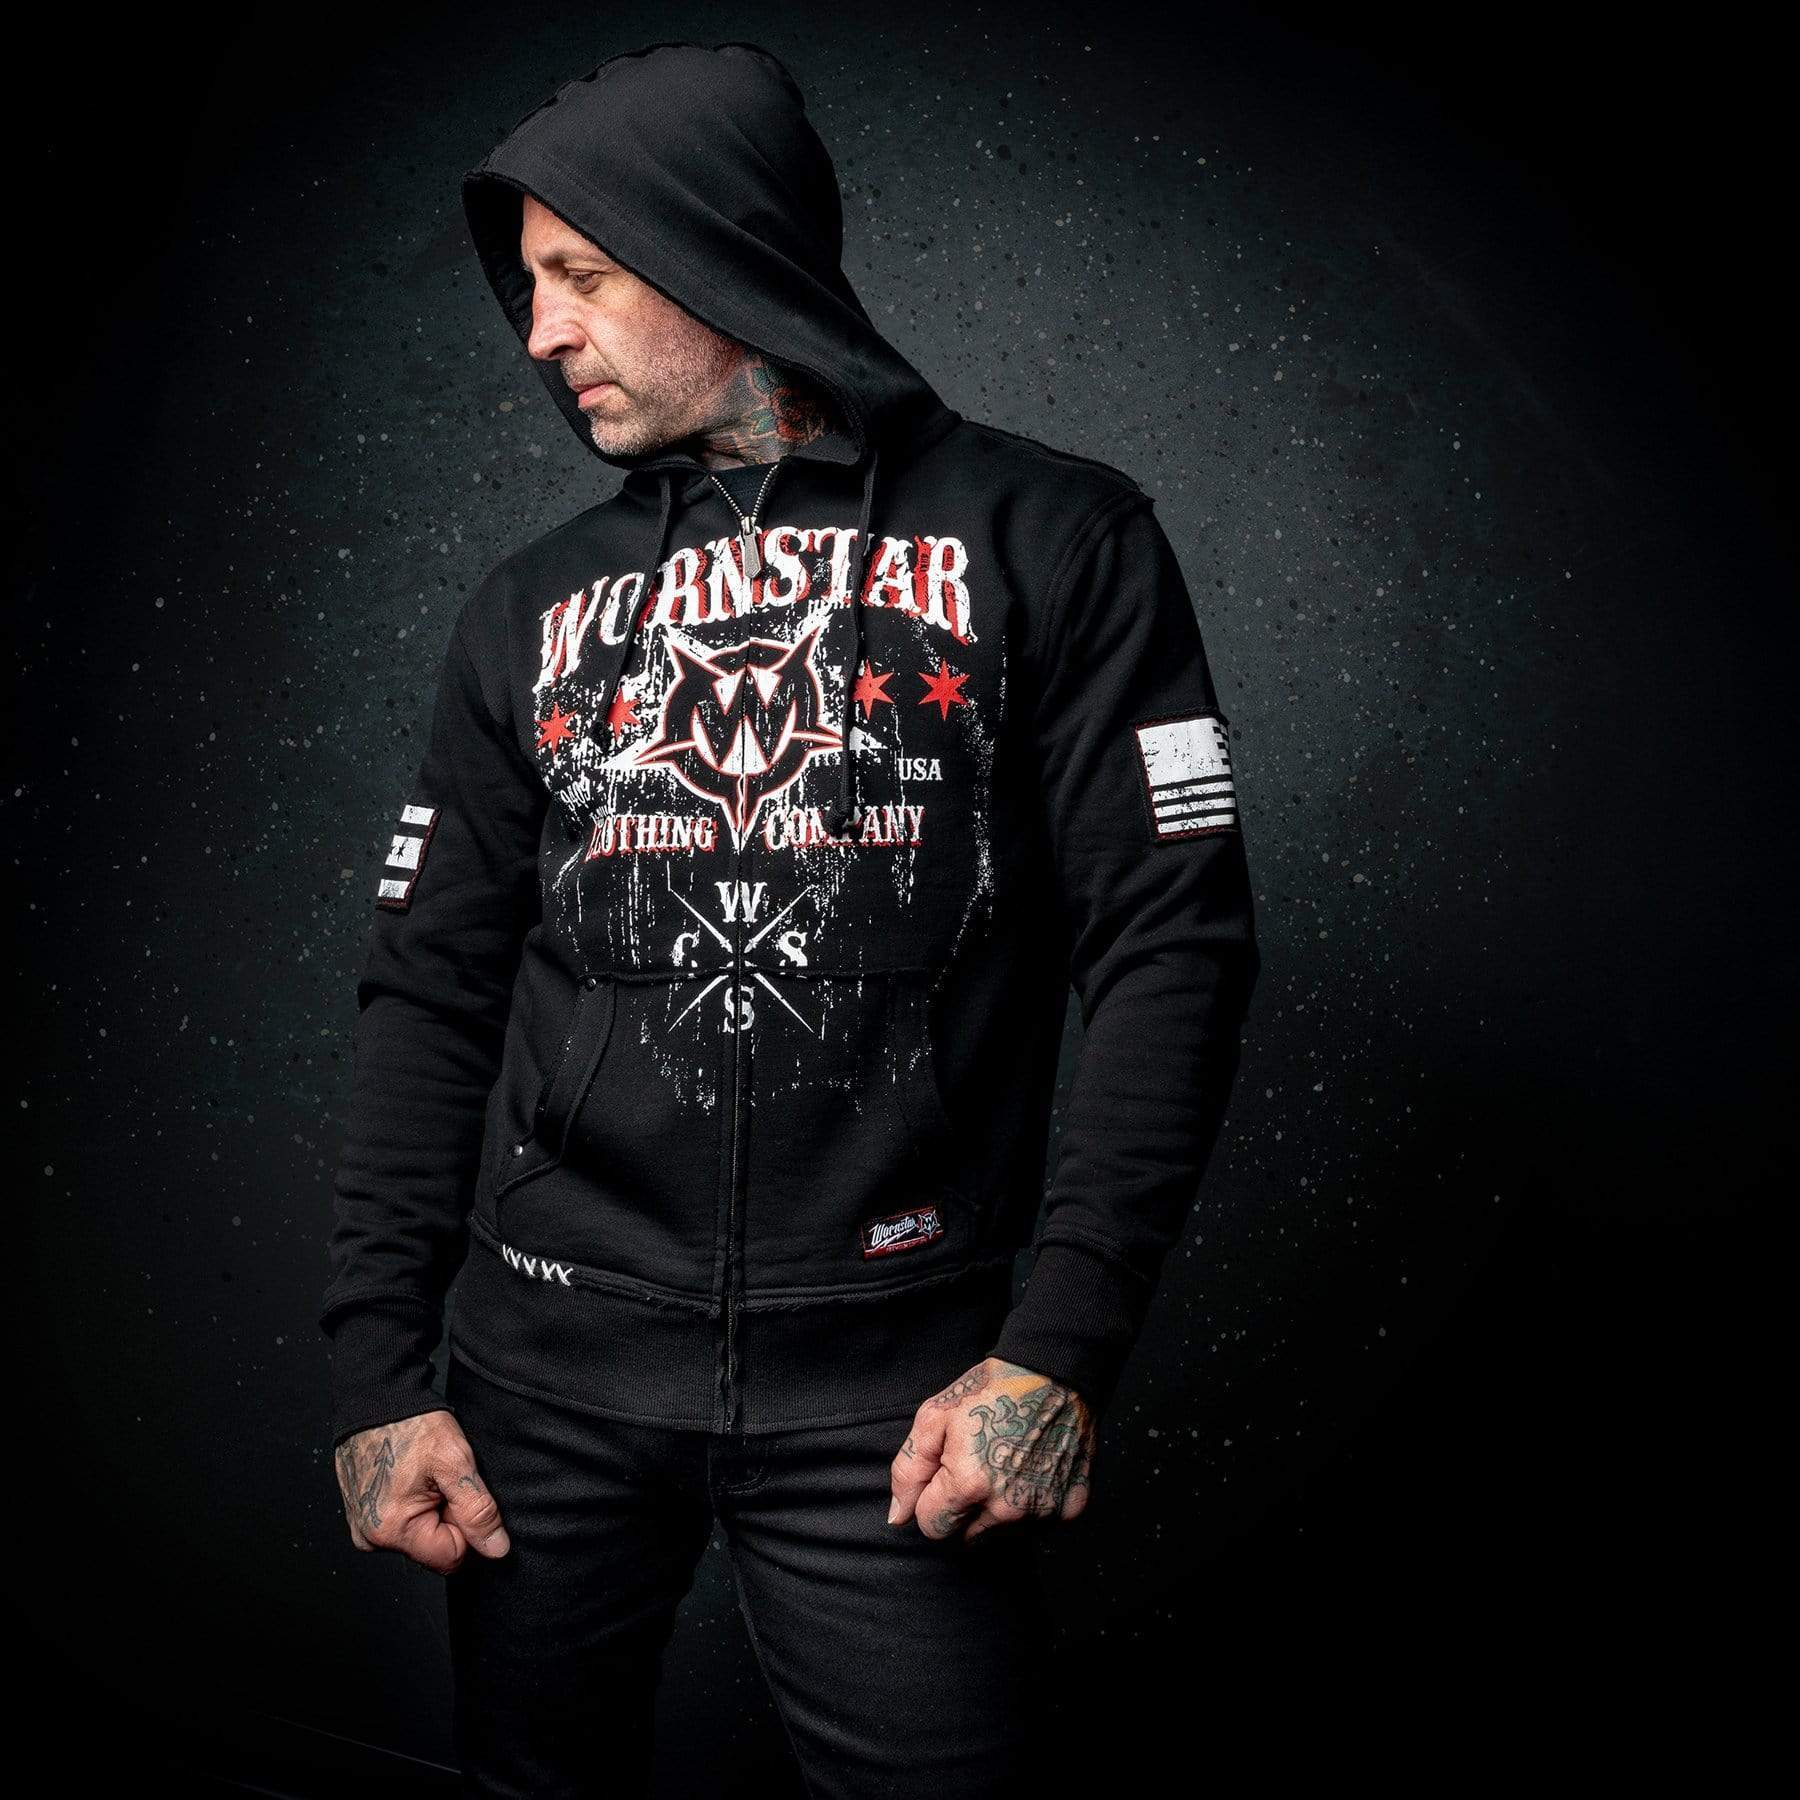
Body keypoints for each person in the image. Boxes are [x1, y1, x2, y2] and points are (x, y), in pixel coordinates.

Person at [320, 37, 1261, 1799]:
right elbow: (429, 991)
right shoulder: (526, 609)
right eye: (530, 287)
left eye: (581, 276)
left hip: (903, 1410)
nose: (540, 334)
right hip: (541, 1393)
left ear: (713, 248)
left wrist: (1060, 1351)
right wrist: (381, 1375)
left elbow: (1173, 951)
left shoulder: (1053, 538)